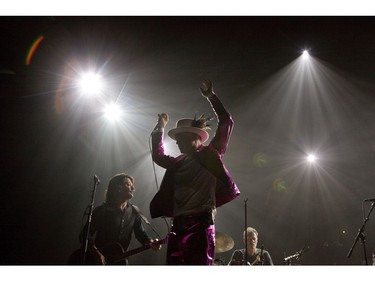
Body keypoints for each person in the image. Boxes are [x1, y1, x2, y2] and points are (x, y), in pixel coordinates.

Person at [149, 80, 240, 265]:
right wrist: (160, 127)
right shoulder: (178, 163)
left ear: (195, 138)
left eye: (181, 138)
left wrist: (211, 97)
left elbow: (226, 121)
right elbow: (158, 156)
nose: (177, 142)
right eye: (177, 139)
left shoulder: (211, 154)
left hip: (200, 225)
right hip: (178, 226)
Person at [70, 173, 161, 265]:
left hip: (120, 262)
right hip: (96, 262)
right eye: (128, 184)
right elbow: (84, 235)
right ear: (118, 188)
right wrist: (96, 254)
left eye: (132, 185)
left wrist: (150, 242)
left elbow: (140, 233)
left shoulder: (134, 211)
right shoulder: (102, 211)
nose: (132, 188)